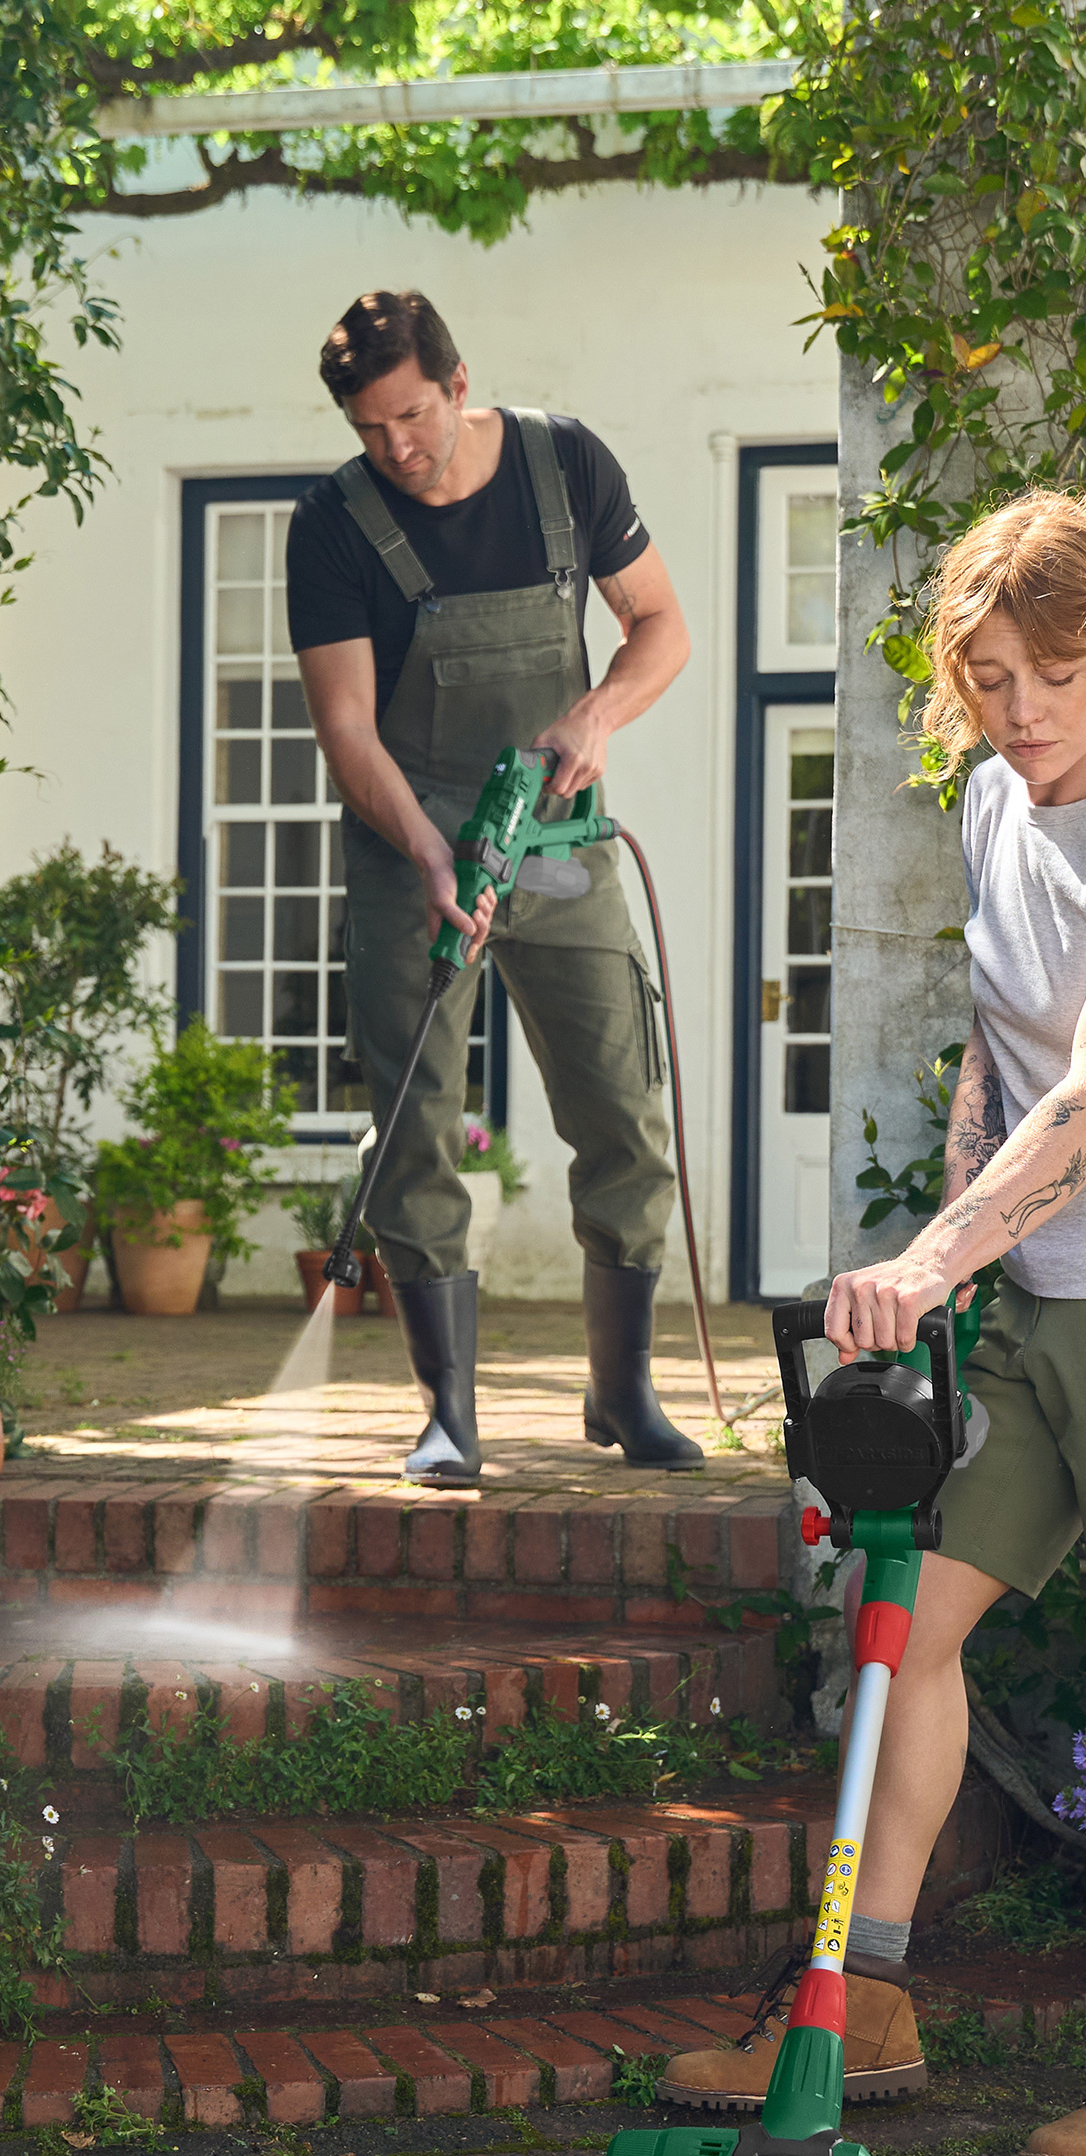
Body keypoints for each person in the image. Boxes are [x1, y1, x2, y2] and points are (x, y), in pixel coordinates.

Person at [659, 490, 1086, 2156]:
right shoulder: (991, 810)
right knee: (904, 1620)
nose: (1015, 714)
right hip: (1033, 1308)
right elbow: (997, 1058)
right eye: (987, 678)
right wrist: (958, 1269)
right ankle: (854, 1998)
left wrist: (934, 1254)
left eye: (1046, 678)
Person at [288, 289, 703, 1484]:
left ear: (459, 383)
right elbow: (349, 730)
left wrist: (596, 712)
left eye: (413, 417)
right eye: (372, 431)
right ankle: (449, 1416)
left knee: (624, 1113)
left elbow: (661, 625)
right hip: (408, 854)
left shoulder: (565, 467)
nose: (398, 448)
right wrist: (425, 851)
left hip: (560, 843)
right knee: (412, 1130)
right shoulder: (332, 525)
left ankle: (623, 1396)